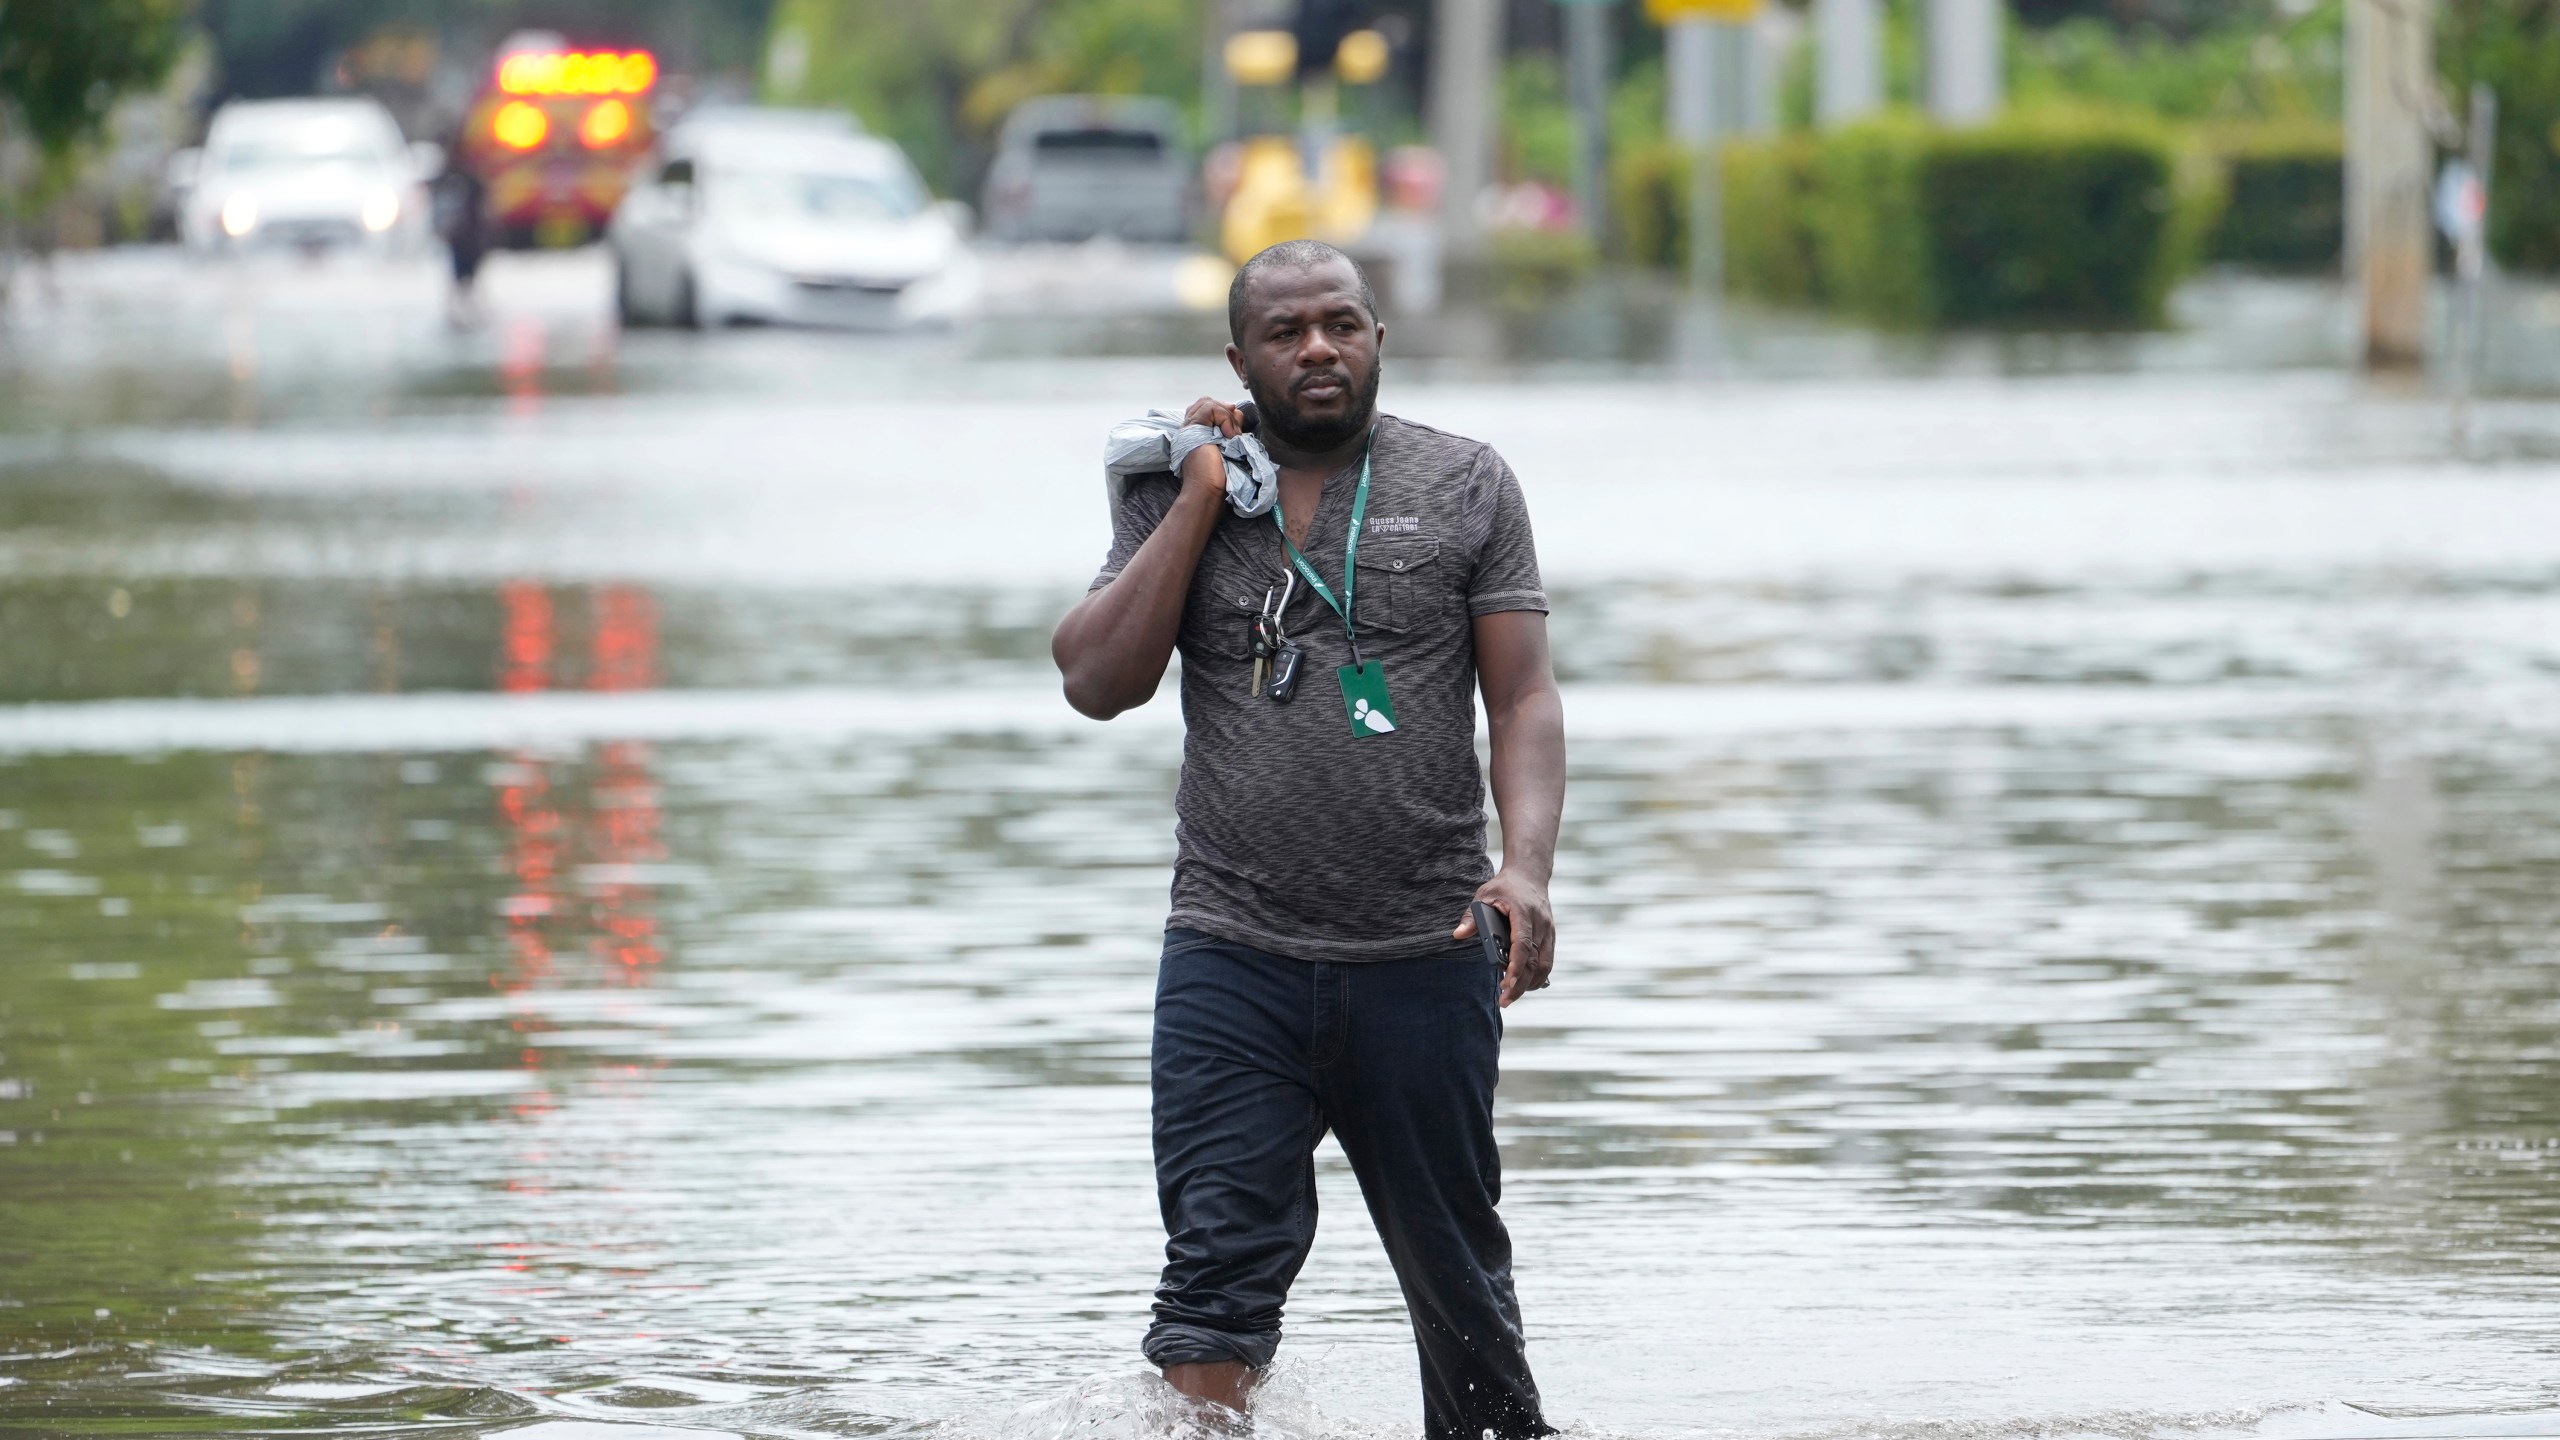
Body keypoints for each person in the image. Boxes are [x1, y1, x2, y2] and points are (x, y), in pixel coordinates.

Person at [1050, 240, 1566, 1438]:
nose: (1317, 347)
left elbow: (1525, 695)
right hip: (1233, 955)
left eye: (1341, 323)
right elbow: (1095, 682)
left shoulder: (1466, 483)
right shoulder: (1175, 485)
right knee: (1213, 1285)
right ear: (1240, 360)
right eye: (1285, 332)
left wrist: (1525, 871)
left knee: (1462, 1296)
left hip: (1428, 954)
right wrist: (1192, 496)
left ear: (1378, 337)